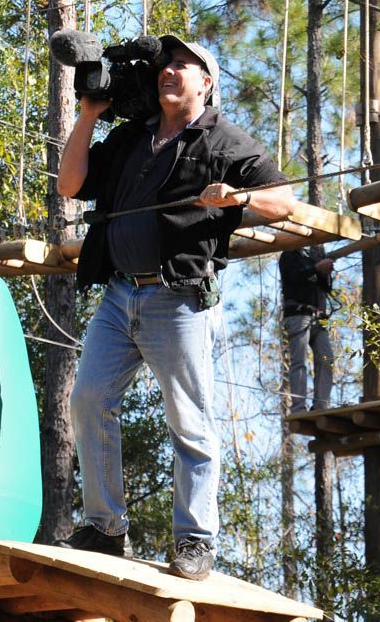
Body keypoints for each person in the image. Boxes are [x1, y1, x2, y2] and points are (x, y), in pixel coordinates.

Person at [54, 35, 295, 580]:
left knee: (191, 421)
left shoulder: (225, 141)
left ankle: (195, 541)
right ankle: (106, 529)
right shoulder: (132, 138)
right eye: (166, 64)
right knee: (89, 398)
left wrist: (238, 198)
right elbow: (72, 184)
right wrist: (89, 115)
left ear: (207, 82)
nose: (170, 71)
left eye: (184, 65)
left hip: (179, 300)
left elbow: (286, 200)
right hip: (120, 296)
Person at [279, 248, 336, 414]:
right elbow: (293, 276)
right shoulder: (288, 255)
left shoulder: (311, 259)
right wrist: (317, 268)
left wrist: (325, 272)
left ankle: (321, 405)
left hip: (317, 317)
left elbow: (326, 288)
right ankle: (298, 408)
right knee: (299, 361)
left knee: (327, 359)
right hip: (298, 315)